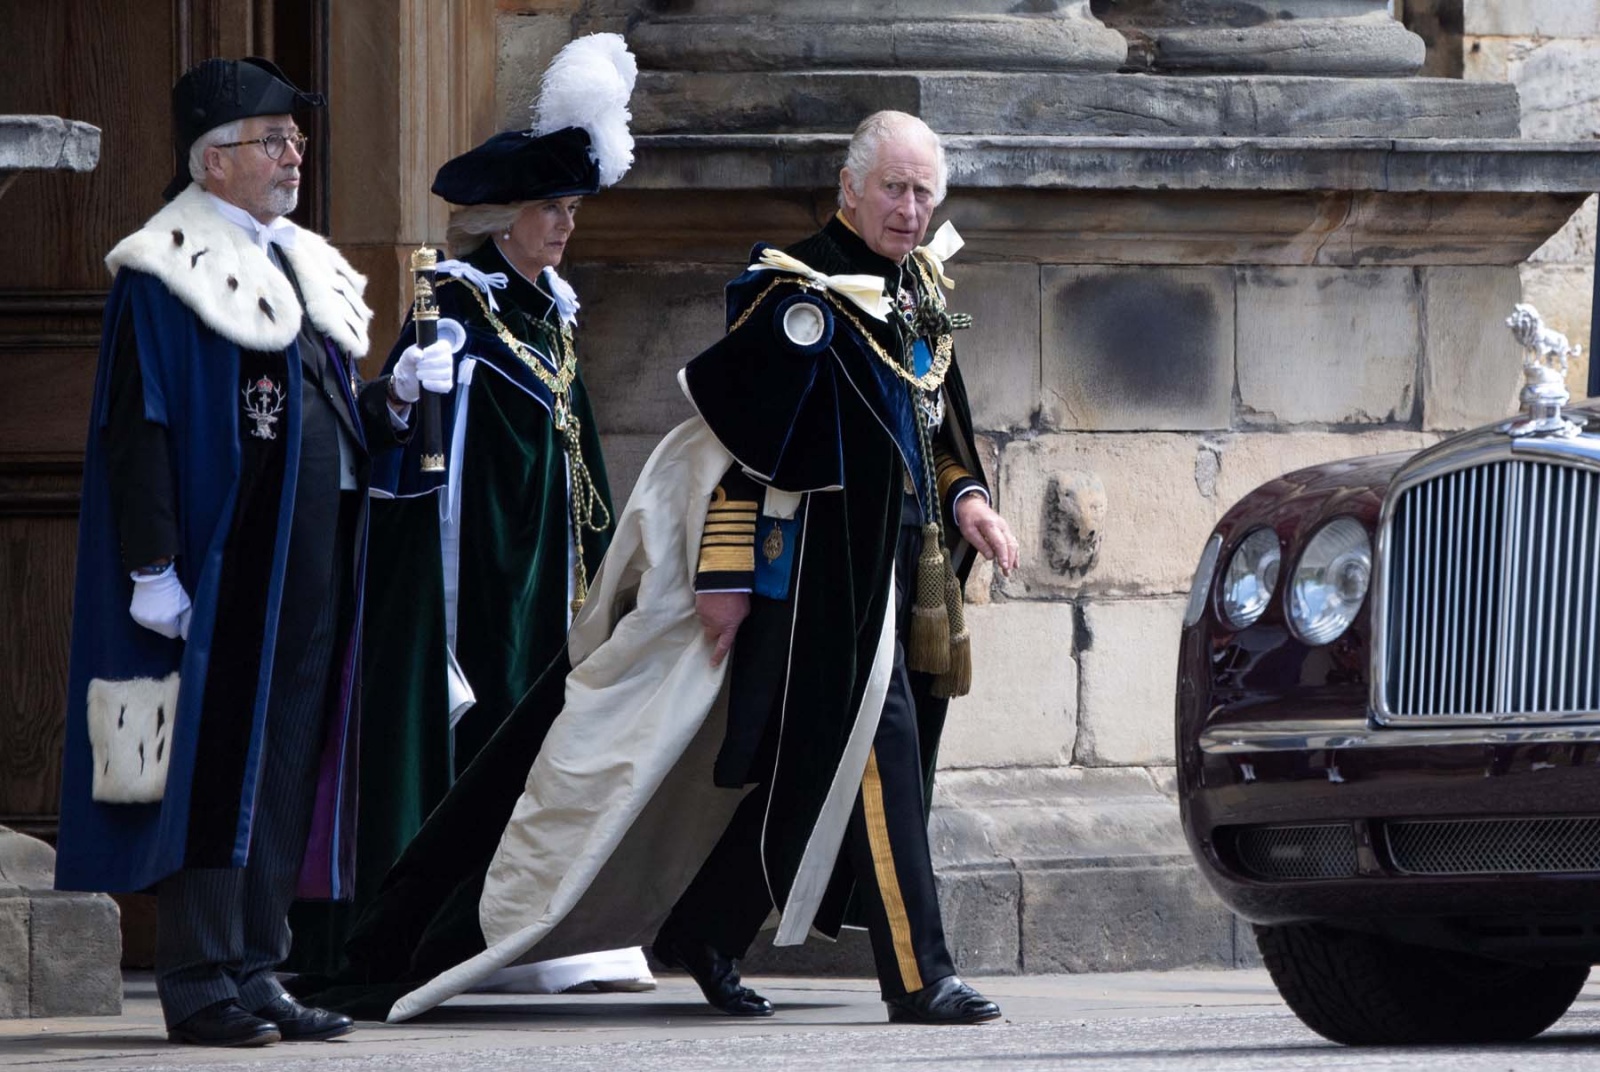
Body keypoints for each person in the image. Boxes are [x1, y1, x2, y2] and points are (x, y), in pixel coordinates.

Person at [363, 110, 1017, 1027]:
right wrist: (722, 576)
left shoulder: (919, 292)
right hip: (815, 582)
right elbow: (741, 446)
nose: (910, 210)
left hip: (907, 575)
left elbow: (935, 426)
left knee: (807, 762)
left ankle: (707, 930)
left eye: (924, 194)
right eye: (895, 190)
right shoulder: (790, 288)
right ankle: (921, 976)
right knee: (879, 752)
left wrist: (968, 502)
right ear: (849, 190)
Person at [52, 57, 452, 1047]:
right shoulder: (163, 267)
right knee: (214, 761)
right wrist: (151, 567)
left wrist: (394, 396)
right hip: (224, 565)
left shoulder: (291, 263)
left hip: (303, 566)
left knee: (285, 762)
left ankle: (256, 960)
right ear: (213, 161)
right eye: (273, 141)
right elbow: (136, 425)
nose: (293, 157)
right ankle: (197, 977)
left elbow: (319, 424)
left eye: (296, 141)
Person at [286, 33, 652, 1009]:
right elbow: (381, 431)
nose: (564, 226)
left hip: (551, 569)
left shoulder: (554, 310)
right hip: (476, 577)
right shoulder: (455, 303)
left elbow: (574, 444)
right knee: (485, 737)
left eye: (572, 208)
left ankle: (548, 923)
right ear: (507, 215)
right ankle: (449, 923)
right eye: (549, 209)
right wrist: (404, 395)